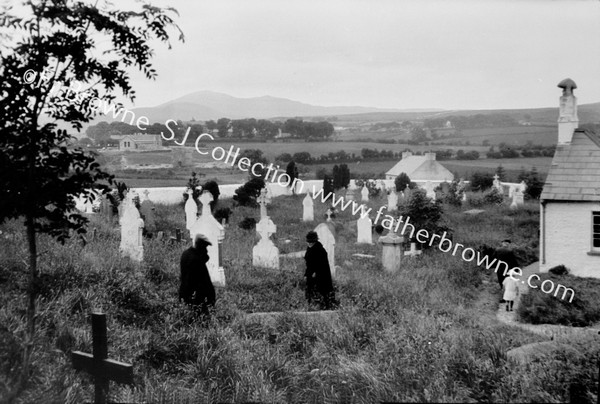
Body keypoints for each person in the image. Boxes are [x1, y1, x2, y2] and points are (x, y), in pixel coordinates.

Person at [179, 233, 215, 317]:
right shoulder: (196, 260)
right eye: (205, 247)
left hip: (184, 295)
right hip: (196, 300)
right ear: (200, 246)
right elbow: (205, 282)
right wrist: (211, 299)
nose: (206, 250)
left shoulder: (186, 254)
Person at [304, 231, 337, 310]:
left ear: (315, 241)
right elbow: (308, 264)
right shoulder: (309, 249)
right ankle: (312, 305)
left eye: (311, 242)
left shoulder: (320, 250)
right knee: (310, 290)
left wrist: (316, 272)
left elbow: (322, 264)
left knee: (322, 291)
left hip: (321, 275)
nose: (309, 244)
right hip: (311, 274)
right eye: (308, 242)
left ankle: (325, 305)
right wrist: (306, 274)